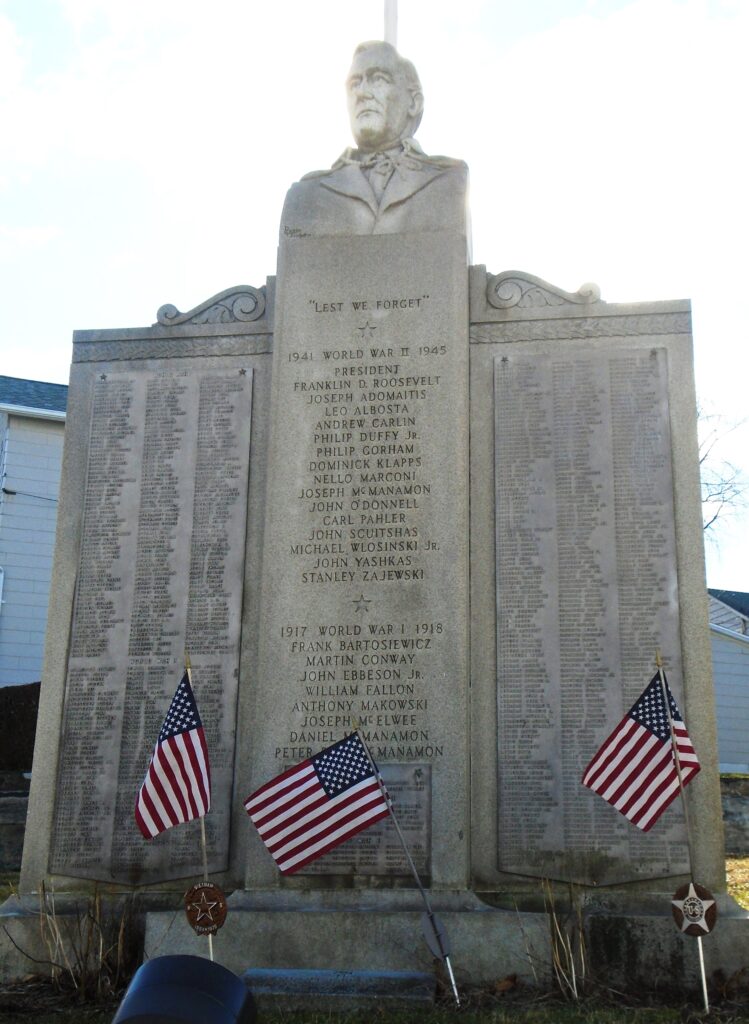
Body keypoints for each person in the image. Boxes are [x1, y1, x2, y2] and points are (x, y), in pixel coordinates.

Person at [280, 41, 468, 238]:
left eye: (378, 79)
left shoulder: (447, 180)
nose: (361, 93)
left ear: (414, 102)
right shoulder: (306, 195)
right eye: (354, 84)